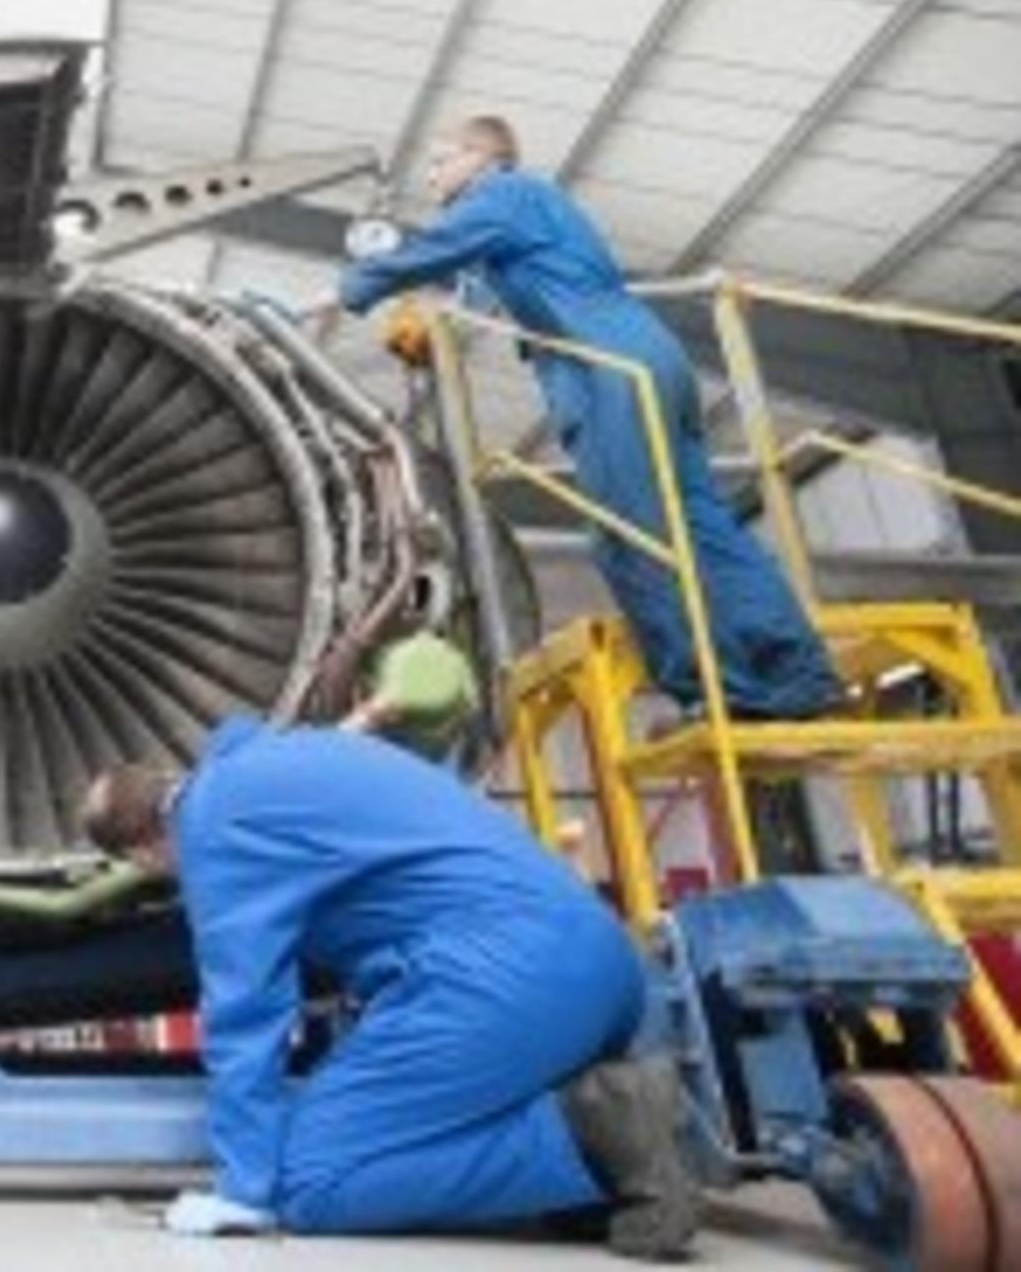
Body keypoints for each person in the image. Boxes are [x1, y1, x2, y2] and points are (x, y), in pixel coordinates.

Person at [77, 718, 698, 1261]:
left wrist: (242, 1193)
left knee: (309, 1179)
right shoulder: (290, 755)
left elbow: (245, 1017)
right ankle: (593, 1179)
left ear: (145, 854)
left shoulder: (213, 833)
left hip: (504, 980)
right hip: (606, 965)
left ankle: (590, 1129)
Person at [313, 115, 840, 722]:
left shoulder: (505, 194)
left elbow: (435, 249)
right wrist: (428, 325)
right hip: (648, 358)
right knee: (701, 526)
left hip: (605, 368)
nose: (430, 175)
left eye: (439, 161)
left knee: (629, 534)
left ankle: (715, 690)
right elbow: (469, 293)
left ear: (480, 158)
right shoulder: (527, 212)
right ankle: (797, 676)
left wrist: (353, 287)